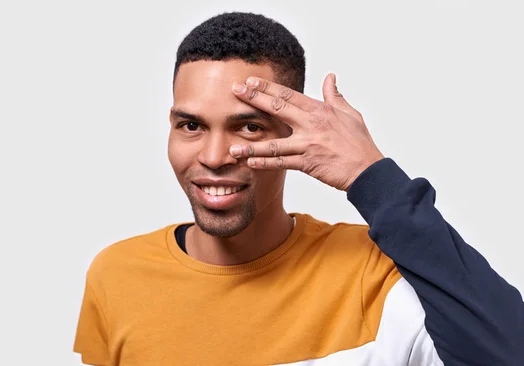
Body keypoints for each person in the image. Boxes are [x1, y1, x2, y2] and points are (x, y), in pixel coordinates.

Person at [73, 12, 524, 366]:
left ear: (293, 133)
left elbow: (507, 353)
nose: (213, 156)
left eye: (248, 126)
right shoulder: (116, 273)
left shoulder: (374, 274)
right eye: (190, 125)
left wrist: (373, 178)